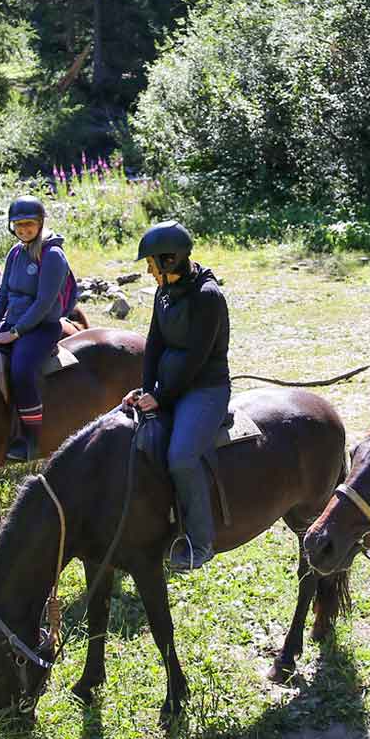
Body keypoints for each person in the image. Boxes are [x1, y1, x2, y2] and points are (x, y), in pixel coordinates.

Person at [121, 221, 231, 571]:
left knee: (182, 457)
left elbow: (197, 358)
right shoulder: (164, 292)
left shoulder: (207, 297)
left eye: (152, 263)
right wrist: (146, 389)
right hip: (168, 388)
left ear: (170, 261)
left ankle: (200, 543)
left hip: (205, 389)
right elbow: (154, 345)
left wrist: (163, 397)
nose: (149, 271)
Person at [0, 196, 72, 461]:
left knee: (20, 369)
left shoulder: (52, 255)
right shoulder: (15, 252)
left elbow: (44, 302)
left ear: (40, 224)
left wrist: (16, 332)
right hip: (13, 323)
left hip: (42, 327)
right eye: (18, 225)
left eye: (29, 224)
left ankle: (32, 440)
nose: (23, 230)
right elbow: (3, 292)